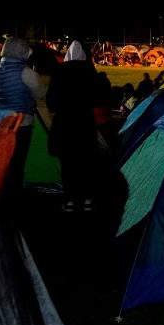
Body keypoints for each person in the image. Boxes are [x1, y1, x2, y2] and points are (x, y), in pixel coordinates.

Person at [0, 36, 47, 216]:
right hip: (21, 123)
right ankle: (13, 204)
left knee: (1, 163)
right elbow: (41, 94)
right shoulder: (26, 72)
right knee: (17, 165)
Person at [45, 40, 104, 213]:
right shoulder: (89, 72)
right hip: (84, 123)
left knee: (68, 163)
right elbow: (98, 98)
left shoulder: (59, 72)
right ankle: (87, 199)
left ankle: (70, 199)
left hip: (65, 123)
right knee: (86, 162)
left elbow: (51, 103)